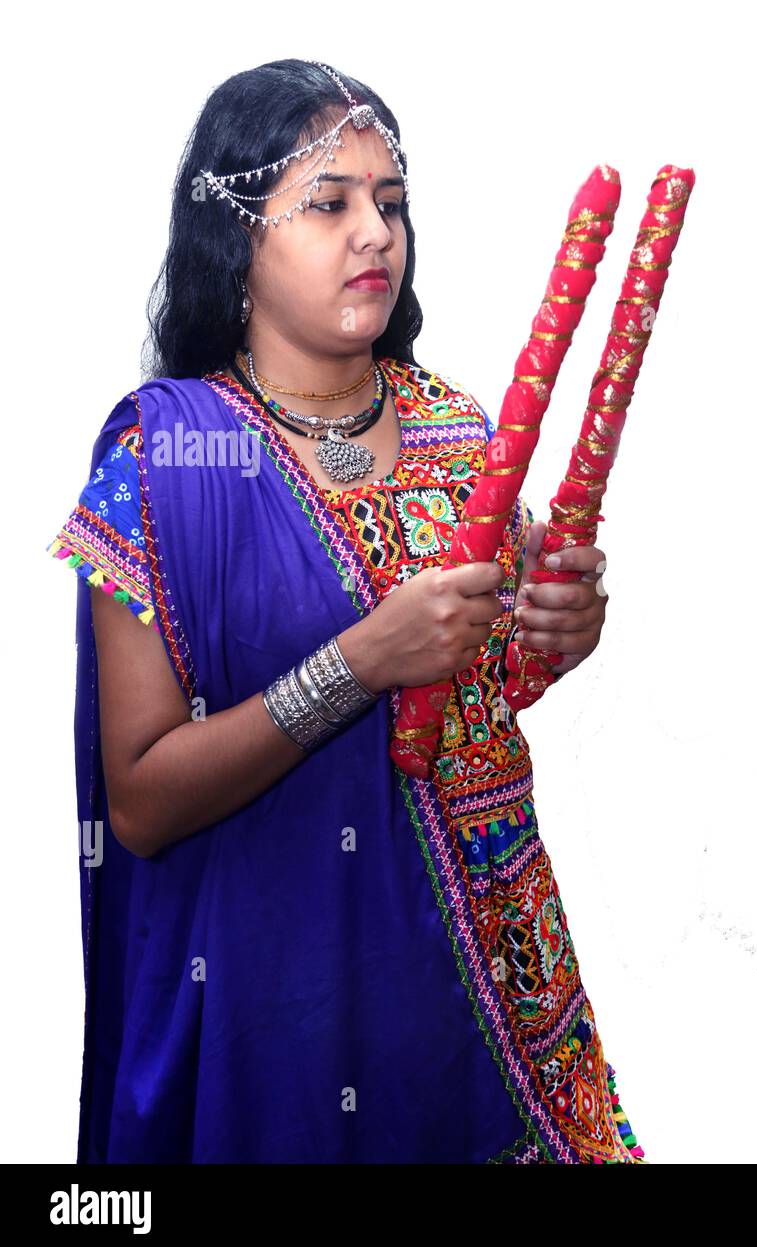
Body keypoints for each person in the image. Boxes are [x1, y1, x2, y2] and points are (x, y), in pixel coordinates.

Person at [47, 59, 644, 1164]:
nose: (374, 231)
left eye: (391, 201)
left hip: (493, 984)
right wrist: (360, 662)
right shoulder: (168, 460)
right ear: (235, 238)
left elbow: (480, 696)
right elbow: (140, 801)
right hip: (285, 1000)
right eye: (329, 203)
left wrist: (556, 634)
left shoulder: (456, 432)